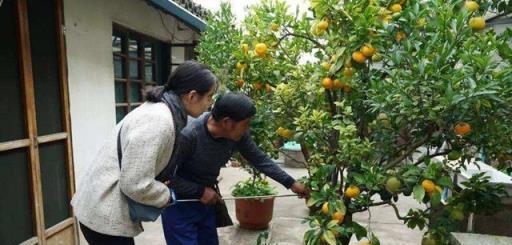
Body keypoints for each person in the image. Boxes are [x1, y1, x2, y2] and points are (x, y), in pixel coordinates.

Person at [71, 60, 218, 245]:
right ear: (192, 96)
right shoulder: (159, 121)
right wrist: (167, 195)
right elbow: (135, 184)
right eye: (209, 97)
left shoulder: (163, 110)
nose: (210, 104)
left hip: (101, 207)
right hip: (104, 214)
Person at [162, 92, 308, 245]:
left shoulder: (236, 135)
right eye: (246, 124)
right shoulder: (188, 135)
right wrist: (199, 191)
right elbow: (164, 177)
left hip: (206, 202)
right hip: (179, 204)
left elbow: (258, 158)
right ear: (227, 122)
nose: (247, 129)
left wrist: (291, 183)